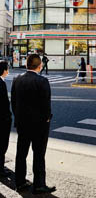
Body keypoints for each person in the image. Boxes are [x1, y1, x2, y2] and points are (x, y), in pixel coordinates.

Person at [11, 54, 56, 194]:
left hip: (22, 123)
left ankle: (20, 182)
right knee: (39, 154)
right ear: (40, 66)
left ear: (26, 65)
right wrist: (47, 118)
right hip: (39, 125)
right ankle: (39, 184)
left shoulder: (17, 80)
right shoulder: (42, 81)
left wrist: (18, 118)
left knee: (21, 153)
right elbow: (46, 104)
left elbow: (14, 103)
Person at [0, 61, 11, 178]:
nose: (8, 71)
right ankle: (1, 169)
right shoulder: (1, 83)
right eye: (7, 69)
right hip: (2, 120)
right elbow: (3, 104)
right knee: (2, 144)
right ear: (4, 70)